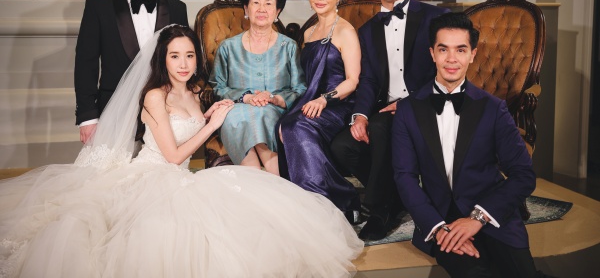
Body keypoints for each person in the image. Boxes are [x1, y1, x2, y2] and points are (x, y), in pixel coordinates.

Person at [0, 25, 363, 277]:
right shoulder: (154, 96)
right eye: (175, 56)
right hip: (152, 175)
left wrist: (212, 111)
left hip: (182, 177)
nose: (184, 64)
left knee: (247, 215)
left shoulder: (191, 93)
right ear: (163, 59)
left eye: (189, 55)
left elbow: (191, 128)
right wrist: (211, 125)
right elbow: (173, 156)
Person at [392, 12, 544, 277]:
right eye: (443, 49)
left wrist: (477, 219)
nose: (451, 59)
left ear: (472, 54)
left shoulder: (494, 108)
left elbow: (523, 174)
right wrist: (438, 228)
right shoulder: (407, 110)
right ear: (432, 54)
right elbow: (404, 177)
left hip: (493, 212)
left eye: (460, 50)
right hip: (442, 220)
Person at [330, 0, 450, 240]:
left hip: (429, 105)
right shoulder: (367, 31)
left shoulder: (436, 18)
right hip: (385, 109)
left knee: (383, 128)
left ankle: (379, 210)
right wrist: (359, 115)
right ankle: (398, 196)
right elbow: (368, 80)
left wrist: (409, 104)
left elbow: (447, 72)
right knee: (342, 145)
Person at [74, 0, 188, 144]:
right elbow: (86, 64)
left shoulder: (177, 8)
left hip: (166, 115)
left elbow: (183, 64)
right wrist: (88, 118)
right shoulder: (98, 6)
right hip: (113, 113)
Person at [278, 0, 361, 216]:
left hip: (339, 104)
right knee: (282, 124)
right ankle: (303, 196)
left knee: (298, 126)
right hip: (312, 100)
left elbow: (353, 81)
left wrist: (325, 100)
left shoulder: (346, 31)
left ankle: (327, 200)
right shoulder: (309, 32)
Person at [209, 0, 306, 174]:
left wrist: (275, 99)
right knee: (236, 116)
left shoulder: (289, 47)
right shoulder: (228, 48)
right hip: (236, 111)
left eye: (268, 4)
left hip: (274, 111)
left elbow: (300, 88)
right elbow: (218, 87)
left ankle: (258, 183)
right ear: (246, 8)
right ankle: (270, 181)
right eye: (256, 3)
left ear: (277, 11)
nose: (262, 9)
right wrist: (246, 97)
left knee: (262, 115)